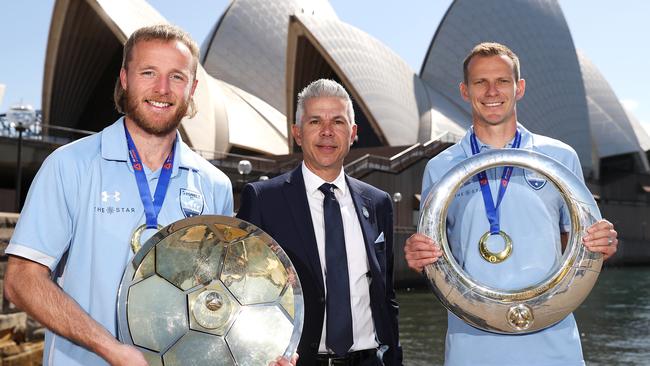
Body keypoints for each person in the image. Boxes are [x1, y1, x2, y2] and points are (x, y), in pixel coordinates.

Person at [2, 24, 241, 366]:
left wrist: (259, 346)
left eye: (176, 76)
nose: (162, 89)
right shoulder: (70, 165)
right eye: (148, 72)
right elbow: (21, 281)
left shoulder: (214, 185)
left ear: (193, 88)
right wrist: (112, 350)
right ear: (125, 78)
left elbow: (217, 297)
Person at [404, 42, 618, 366]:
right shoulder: (440, 167)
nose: (492, 91)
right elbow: (436, 253)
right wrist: (418, 254)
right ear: (465, 90)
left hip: (552, 340)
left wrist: (600, 243)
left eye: (502, 81)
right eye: (480, 82)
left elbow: (575, 241)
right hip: (471, 342)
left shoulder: (560, 157)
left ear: (519, 88)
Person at [237, 79, 402, 366]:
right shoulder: (263, 199)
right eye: (315, 121)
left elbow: (386, 294)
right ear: (297, 133)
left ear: (353, 133)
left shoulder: (378, 203)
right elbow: (243, 292)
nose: (327, 131)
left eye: (338, 121)